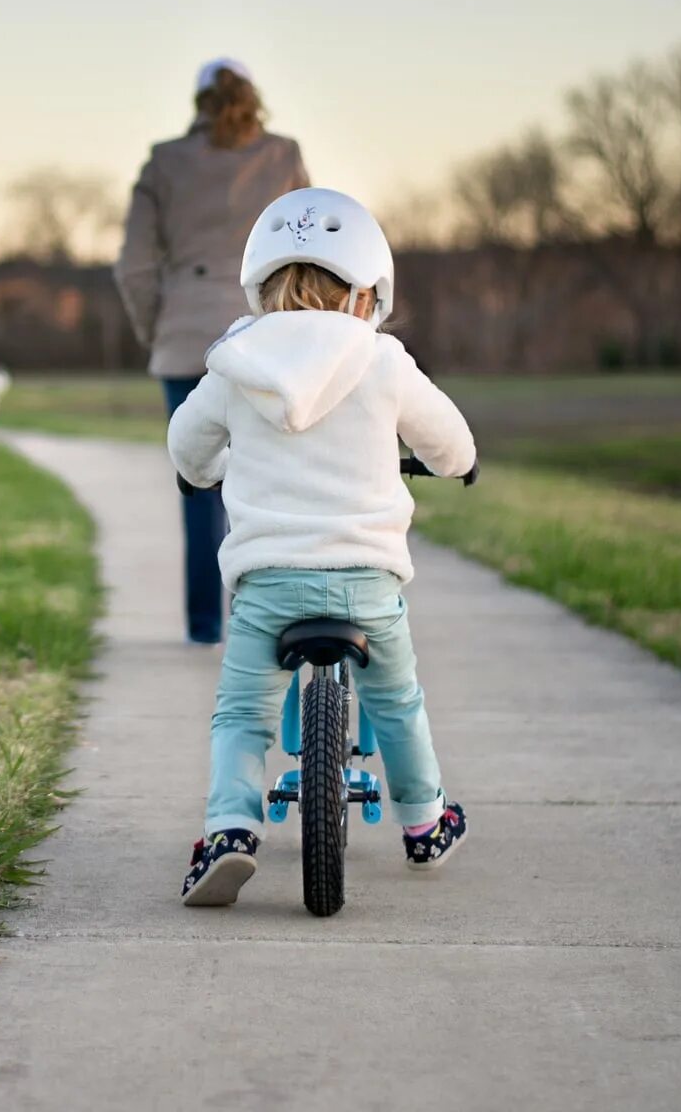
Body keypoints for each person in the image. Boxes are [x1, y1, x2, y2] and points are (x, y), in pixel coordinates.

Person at [167, 187, 478, 905]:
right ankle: (426, 825)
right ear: (370, 293)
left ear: (258, 286)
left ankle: (230, 832)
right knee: (398, 700)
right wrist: (460, 465)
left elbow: (187, 446)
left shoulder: (236, 362)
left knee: (241, 715)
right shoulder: (384, 360)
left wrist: (199, 474)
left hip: (268, 582)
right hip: (367, 583)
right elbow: (450, 441)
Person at [115, 58, 310, 645]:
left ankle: (205, 628)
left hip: (186, 335)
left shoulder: (164, 161)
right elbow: (310, 244)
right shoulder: (284, 155)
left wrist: (159, 329)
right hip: (270, 335)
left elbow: (135, 266)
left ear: (197, 102)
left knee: (198, 484)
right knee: (279, 481)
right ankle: (268, 620)